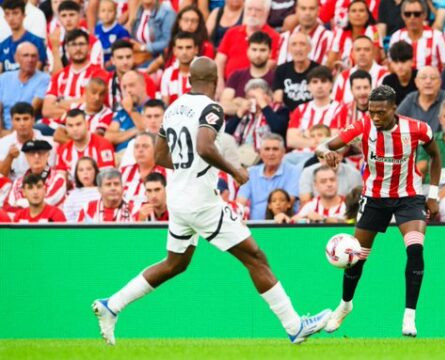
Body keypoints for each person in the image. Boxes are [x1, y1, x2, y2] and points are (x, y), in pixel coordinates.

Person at [92, 57, 330, 345]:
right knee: (255, 257)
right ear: (215, 81)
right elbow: (204, 146)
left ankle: (111, 306)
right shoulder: (211, 108)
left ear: (189, 80)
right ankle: (295, 326)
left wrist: (187, 167)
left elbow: (160, 156)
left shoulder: (173, 108)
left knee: (175, 264)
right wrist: (235, 170)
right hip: (201, 201)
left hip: (178, 197)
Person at [316, 85, 442, 337]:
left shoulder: (417, 129)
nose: (375, 117)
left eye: (381, 112)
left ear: (394, 109)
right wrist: (326, 153)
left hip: (409, 197)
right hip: (374, 197)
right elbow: (323, 146)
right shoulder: (363, 126)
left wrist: (434, 194)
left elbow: (436, 157)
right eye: (371, 111)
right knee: (357, 256)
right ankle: (345, 305)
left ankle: (409, 316)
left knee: (415, 249)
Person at [42, 29, 108, 125]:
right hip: (52, 127)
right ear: (67, 49)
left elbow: (92, 102)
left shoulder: (98, 73)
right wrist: (76, 103)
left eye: (81, 44)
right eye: (73, 44)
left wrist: (61, 104)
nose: (78, 49)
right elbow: (46, 110)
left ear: (89, 48)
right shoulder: (59, 76)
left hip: (84, 126)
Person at [214, 0, 280, 89]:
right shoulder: (232, 32)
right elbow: (219, 61)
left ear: (266, 12)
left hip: (259, 86)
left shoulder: (274, 36)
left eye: (257, 10)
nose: (252, 13)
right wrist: (219, 82)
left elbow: (272, 63)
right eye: (249, 9)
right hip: (228, 85)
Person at [237, 133, 301, 220]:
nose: (271, 153)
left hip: (282, 224)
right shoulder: (251, 172)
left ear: (283, 152)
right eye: (267, 149)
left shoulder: (294, 171)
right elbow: (240, 202)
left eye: (275, 149)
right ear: (260, 152)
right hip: (255, 226)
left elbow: (289, 201)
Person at [287, 66, 348, 153]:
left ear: (331, 85)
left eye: (323, 81)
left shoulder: (340, 109)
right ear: (308, 86)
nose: (319, 86)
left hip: (328, 157)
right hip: (299, 157)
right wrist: (321, 140)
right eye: (315, 82)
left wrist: (304, 136)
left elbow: (339, 141)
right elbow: (291, 141)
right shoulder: (300, 109)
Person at [224, 79, 289, 153]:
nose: (253, 100)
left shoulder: (279, 109)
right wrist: (239, 114)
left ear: (268, 96)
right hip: (241, 153)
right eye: (249, 97)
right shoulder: (245, 113)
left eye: (256, 97)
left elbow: (278, 128)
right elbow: (225, 134)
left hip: (266, 154)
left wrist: (263, 105)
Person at [220, 31, 275, 115]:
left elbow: (276, 108)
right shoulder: (236, 75)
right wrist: (245, 106)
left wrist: (237, 101)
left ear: (270, 53)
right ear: (248, 51)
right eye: (254, 49)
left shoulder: (276, 77)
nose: (258, 54)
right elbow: (224, 106)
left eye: (262, 50)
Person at [0, 43, 50, 134]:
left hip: (26, 128)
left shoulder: (44, 79)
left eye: (33, 56)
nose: (30, 59)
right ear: (16, 58)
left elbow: (32, 108)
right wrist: (1, 132)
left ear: (38, 58)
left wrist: (11, 134)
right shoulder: (4, 78)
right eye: (25, 55)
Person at [55, 108, 116, 182]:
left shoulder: (103, 145)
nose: (75, 129)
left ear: (87, 124)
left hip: (98, 191)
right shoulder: (63, 150)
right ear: (66, 128)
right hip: (73, 192)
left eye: (78, 124)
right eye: (70, 126)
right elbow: (61, 180)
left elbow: (107, 178)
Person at [5, 140, 66, 211]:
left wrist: (19, 202)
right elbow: (10, 206)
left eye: (41, 153)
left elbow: (47, 202)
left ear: (48, 155)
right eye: (32, 153)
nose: (36, 156)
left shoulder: (58, 178)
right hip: (22, 220)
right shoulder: (18, 182)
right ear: (26, 156)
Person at [388, 0, 445, 70]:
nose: (412, 18)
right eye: (408, 14)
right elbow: (392, 66)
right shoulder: (396, 37)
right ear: (403, 16)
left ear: (424, 15)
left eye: (416, 14)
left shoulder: (438, 37)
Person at [46, 1, 104, 74]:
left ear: (80, 16)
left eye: (72, 15)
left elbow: (97, 73)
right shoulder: (54, 40)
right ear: (59, 19)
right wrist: (55, 50)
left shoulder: (93, 41)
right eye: (64, 15)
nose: (68, 19)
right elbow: (55, 76)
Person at [0, 103, 53, 181]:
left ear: (33, 120)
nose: (22, 124)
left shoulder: (48, 142)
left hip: (42, 185)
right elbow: (1, 176)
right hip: (12, 188)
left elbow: (52, 172)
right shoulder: (3, 143)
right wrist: (9, 157)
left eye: (25, 119)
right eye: (17, 119)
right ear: (12, 121)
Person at [325, 0, 382, 73]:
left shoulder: (373, 31)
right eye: (354, 11)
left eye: (361, 11)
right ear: (348, 15)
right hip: (342, 74)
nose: (357, 14)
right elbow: (330, 62)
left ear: (368, 15)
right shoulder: (340, 33)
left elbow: (374, 59)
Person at [52, 77, 113, 143]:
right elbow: (58, 135)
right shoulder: (74, 107)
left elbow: (94, 140)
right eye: (94, 92)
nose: (97, 98)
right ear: (85, 91)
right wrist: (79, 145)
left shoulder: (108, 114)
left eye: (101, 94)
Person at [397, 66, 445, 133]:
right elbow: (394, 122)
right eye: (423, 78)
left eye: (433, 78)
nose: (428, 81)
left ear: (440, 82)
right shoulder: (411, 98)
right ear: (416, 82)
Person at [332, 35, 388, 104]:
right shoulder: (343, 77)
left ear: (373, 52)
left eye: (366, 49)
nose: (362, 53)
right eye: (358, 50)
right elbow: (335, 105)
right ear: (352, 53)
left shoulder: (386, 75)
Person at [277, 0, 333, 66]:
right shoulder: (284, 38)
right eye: (303, 8)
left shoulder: (329, 38)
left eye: (312, 9)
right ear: (296, 11)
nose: (307, 13)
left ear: (318, 11)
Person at [273, 32, 320, 110]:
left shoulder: (319, 71)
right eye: (294, 44)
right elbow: (278, 99)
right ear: (289, 49)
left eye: (302, 44)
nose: (298, 49)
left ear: (310, 48)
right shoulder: (281, 70)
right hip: (288, 116)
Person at [105, 70, 148, 153]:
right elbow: (108, 137)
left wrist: (131, 110)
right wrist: (135, 131)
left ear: (143, 86)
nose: (128, 90)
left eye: (131, 85)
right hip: (121, 156)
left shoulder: (154, 106)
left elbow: (147, 131)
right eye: (124, 87)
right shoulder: (122, 112)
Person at [0, 0, 47, 73]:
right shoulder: (3, 45)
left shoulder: (36, 42)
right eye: (7, 14)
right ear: (4, 17)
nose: (11, 18)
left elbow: (35, 74)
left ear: (24, 15)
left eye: (15, 13)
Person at [120, 132, 168, 203]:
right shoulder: (124, 171)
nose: (140, 150)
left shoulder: (166, 172)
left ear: (156, 149)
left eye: (145, 146)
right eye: (136, 147)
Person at [160, 32, 198, 105]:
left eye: (188, 47)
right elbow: (165, 104)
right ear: (174, 51)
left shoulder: (204, 70)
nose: (184, 52)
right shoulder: (168, 73)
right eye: (180, 48)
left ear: (196, 50)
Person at [62, 156, 101, 222]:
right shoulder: (72, 196)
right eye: (81, 170)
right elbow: (67, 221)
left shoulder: (102, 192)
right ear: (77, 174)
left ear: (95, 171)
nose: (85, 173)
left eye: (89, 169)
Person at [94, 0, 130, 67]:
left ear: (116, 13)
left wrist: (111, 62)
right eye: (103, 11)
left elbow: (124, 50)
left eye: (110, 11)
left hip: (114, 65)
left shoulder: (121, 31)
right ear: (98, 14)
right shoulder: (96, 29)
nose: (106, 14)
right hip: (99, 63)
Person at [383, 41, 417, 106]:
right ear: (391, 63)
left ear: (412, 61)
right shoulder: (388, 81)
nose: (399, 66)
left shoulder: (420, 78)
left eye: (403, 61)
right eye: (396, 62)